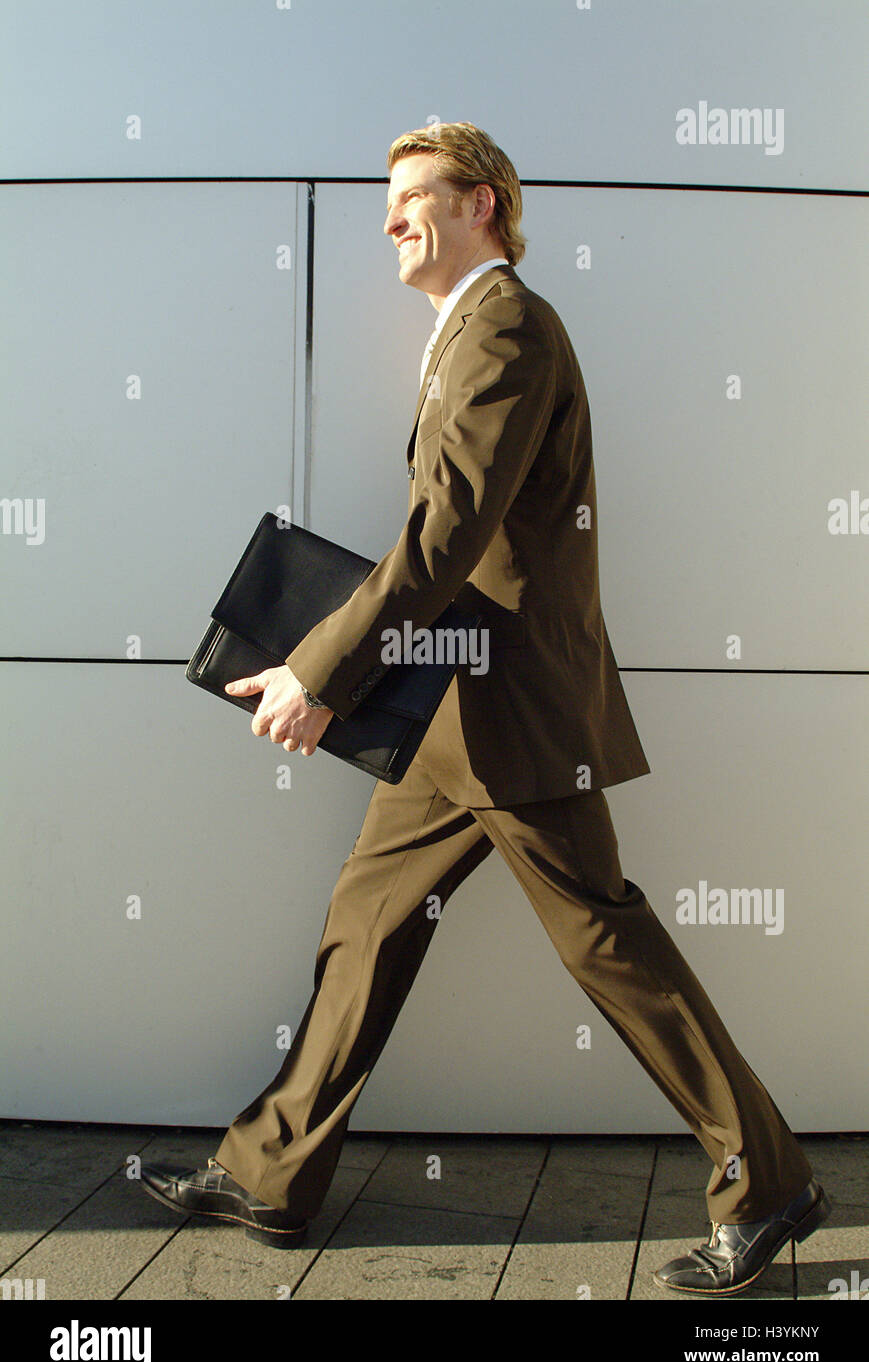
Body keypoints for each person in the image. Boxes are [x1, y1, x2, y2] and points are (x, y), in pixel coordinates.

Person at [140, 122, 829, 1296]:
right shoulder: (464, 330)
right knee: (366, 927)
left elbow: (444, 534)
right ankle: (269, 1170)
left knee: (606, 942)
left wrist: (319, 670)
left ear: (484, 204)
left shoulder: (502, 323)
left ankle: (765, 1186)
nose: (390, 219)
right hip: (452, 718)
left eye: (412, 196)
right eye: (387, 202)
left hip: (509, 719)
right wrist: (326, 661)